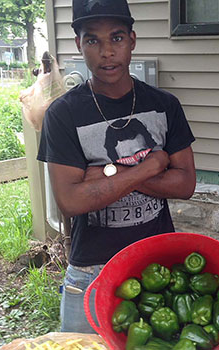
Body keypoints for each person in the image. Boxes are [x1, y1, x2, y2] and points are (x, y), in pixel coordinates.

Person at [37, 0, 196, 333]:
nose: (106, 51)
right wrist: (148, 168)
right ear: (79, 44)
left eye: (117, 38)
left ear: (133, 40)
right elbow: (71, 201)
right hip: (91, 270)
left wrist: (106, 175)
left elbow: (185, 185)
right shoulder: (62, 114)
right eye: (92, 40)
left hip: (158, 264)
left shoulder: (164, 105)